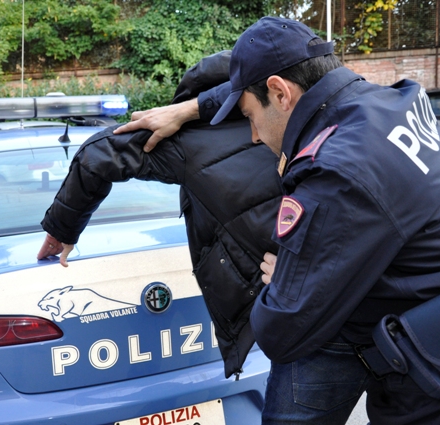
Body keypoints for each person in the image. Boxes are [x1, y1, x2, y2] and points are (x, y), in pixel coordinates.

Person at [113, 16, 440, 425]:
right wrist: (188, 109)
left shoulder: (338, 172)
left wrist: (292, 278)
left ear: (280, 92)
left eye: (250, 116)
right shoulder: (390, 100)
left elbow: (279, 330)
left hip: (433, 382)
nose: (254, 136)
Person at [37, 53, 283, 379]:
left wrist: (61, 230)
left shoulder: (185, 142)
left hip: (265, 302)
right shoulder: (293, 114)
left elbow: (97, 154)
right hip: (290, 294)